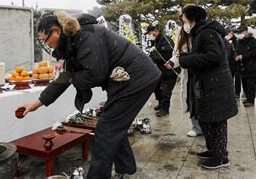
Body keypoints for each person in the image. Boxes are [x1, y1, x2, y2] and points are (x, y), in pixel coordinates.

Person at [17, 11, 161, 178]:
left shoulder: (86, 36)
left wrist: (73, 78)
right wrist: (36, 103)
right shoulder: (72, 41)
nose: (47, 45)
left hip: (136, 78)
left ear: (56, 31)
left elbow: (95, 75)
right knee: (113, 125)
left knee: (106, 130)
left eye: (46, 40)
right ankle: (125, 169)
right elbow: (65, 77)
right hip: (126, 81)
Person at [178, 4, 238, 169]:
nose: (183, 22)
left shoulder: (207, 33)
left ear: (192, 19)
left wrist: (187, 59)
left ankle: (221, 158)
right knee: (207, 120)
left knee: (216, 122)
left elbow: (214, 56)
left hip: (215, 84)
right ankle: (213, 151)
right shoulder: (201, 32)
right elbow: (205, 54)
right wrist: (189, 56)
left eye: (183, 18)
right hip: (209, 83)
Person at [165, 14, 202, 137]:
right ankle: (196, 126)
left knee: (201, 98)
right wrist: (171, 62)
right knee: (190, 98)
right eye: (182, 22)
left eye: (186, 21)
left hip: (202, 71)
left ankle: (206, 126)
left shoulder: (202, 32)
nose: (184, 24)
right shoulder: (181, 34)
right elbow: (177, 53)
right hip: (188, 71)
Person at [146, 24, 178, 117]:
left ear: (156, 31)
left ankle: (165, 109)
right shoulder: (156, 40)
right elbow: (154, 53)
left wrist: (154, 58)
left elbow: (166, 55)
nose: (149, 35)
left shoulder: (165, 40)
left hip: (169, 70)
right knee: (156, 86)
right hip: (160, 70)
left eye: (150, 33)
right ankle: (161, 103)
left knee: (166, 90)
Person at [234, 26, 256, 107]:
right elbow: (237, 51)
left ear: (246, 31)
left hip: (252, 67)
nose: (240, 34)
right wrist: (237, 56)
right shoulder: (240, 42)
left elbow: (255, 52)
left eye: (241, 32)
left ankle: (251, 100)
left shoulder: (254, 41)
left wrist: (243, 56)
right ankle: (248, 99)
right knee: (245, 84)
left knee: (251, 85)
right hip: (243, 67)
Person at [224, 28, 239, 98]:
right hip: (228, 63)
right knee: (229, 79)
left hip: (236, 62)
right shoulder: (224, 41)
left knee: (237, 79)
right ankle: (230, 92)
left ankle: (237, 92)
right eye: (227, 34)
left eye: (230, 33)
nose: (229, 35)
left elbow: (237, 51)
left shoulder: (236, 41)